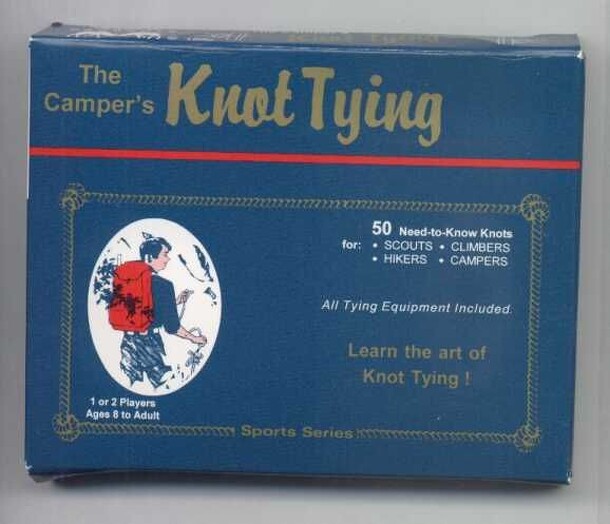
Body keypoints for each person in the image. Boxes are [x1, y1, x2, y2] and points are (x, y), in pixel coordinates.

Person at [119, 235, 207, 388]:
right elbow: (173, 327)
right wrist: (195, 339)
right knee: (166, 384)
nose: (168, 259)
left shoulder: (128, 279)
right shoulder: (163, 285)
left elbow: (145, 308)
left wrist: (174, 302)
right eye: (165, 254)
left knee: (129, 385)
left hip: (128, 344)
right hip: (149, 346)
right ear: (149, 258)